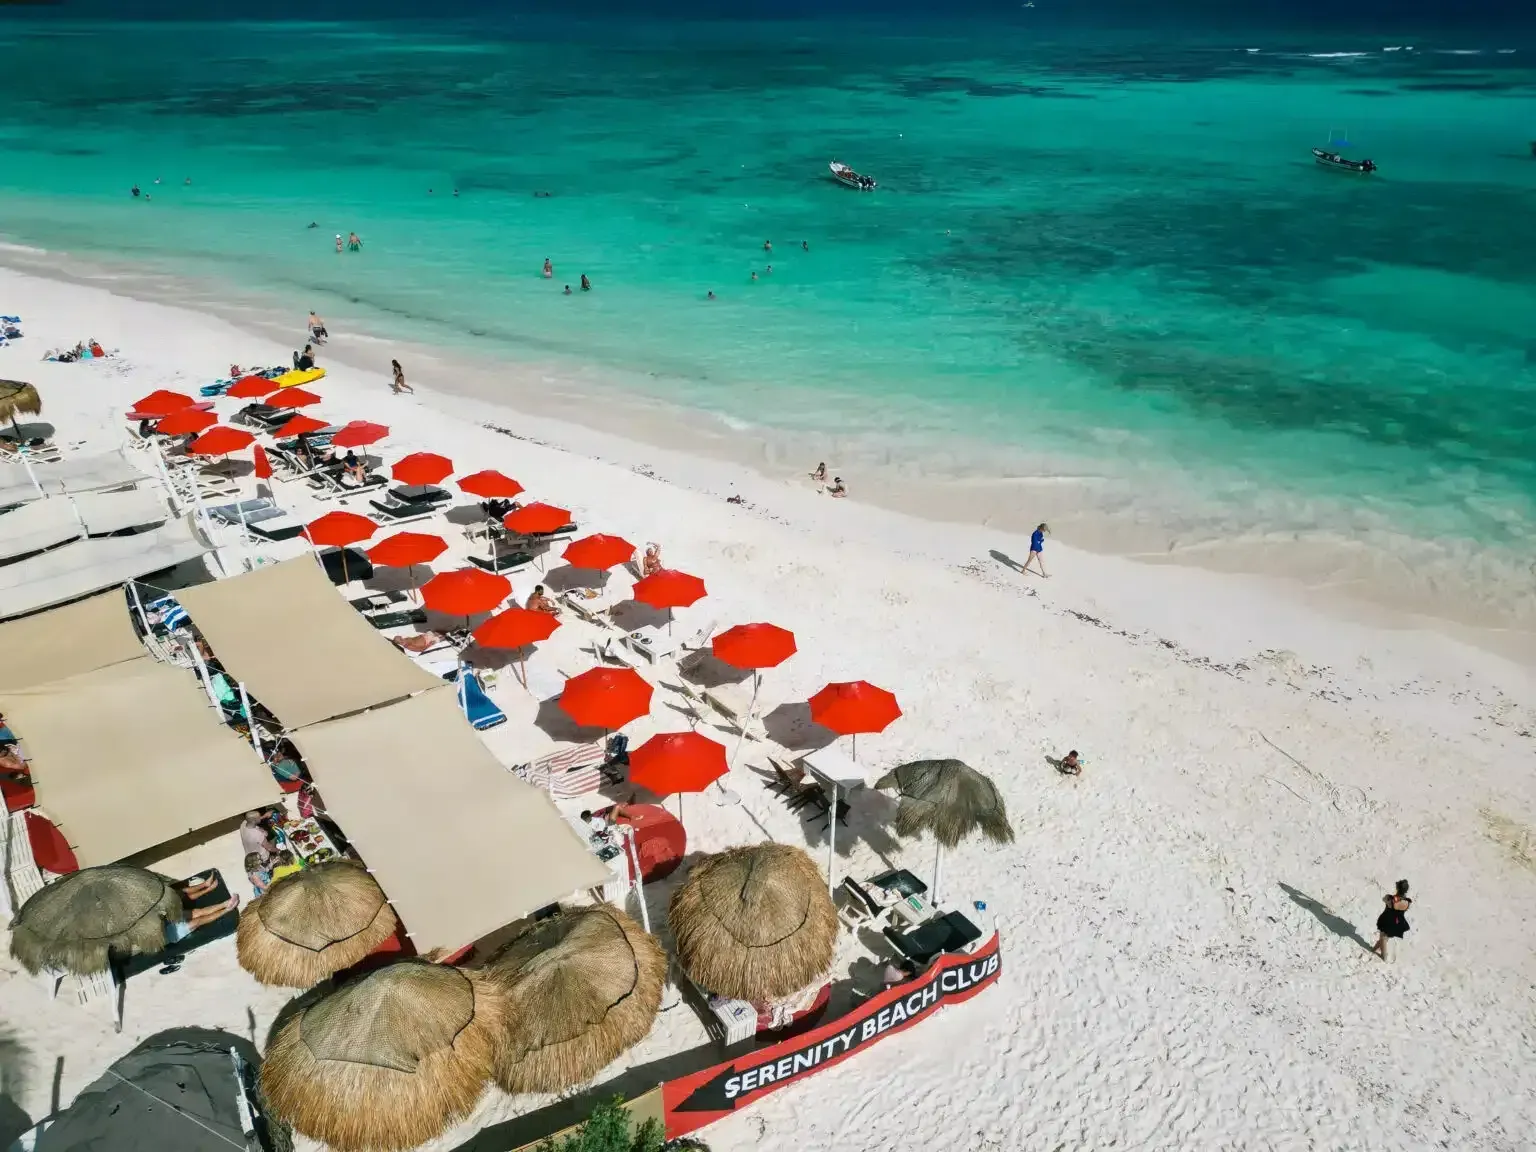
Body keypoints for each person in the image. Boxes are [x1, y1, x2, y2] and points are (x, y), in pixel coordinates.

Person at [164, 876, 239, 943]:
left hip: (167, 920)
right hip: (170, 934)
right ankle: (227, 909)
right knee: (197, 922)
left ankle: (225, 903)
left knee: (198, 912)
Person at [1373, 880, 1412, 960]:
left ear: (1397, 888)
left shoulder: (1391, 899)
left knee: (1383, 937)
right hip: (1398, 922)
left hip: (1387, 921)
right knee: (1386, 937)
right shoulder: (1407, 902)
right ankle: (1374, 949)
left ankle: (1384, 956)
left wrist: (1391, 897)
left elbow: (1384, 899)